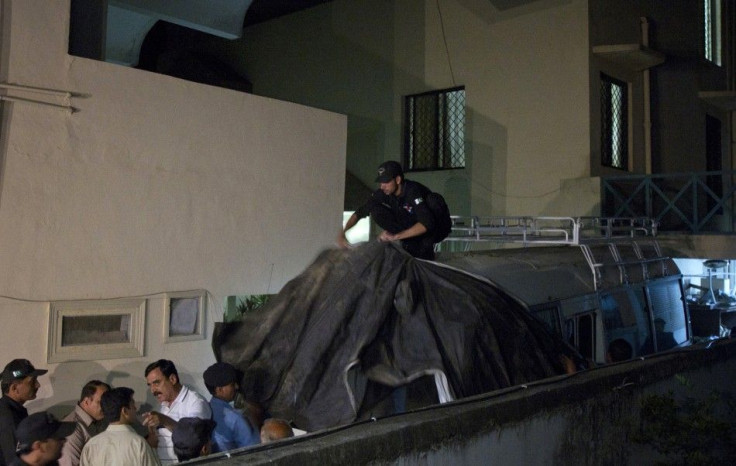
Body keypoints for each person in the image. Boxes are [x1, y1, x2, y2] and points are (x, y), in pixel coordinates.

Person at [338, 160, 441, 260]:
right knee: (375, 209)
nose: (382, 187)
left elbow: (426, 223)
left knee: (420, 256)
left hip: (426, 232)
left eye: (386, 182)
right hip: (406, 228)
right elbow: (360, 212)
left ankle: (418, 248)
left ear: (398, 180)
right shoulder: (384, 192)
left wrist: (395, 237)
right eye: (381, 182)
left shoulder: (413, 191)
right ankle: (403, 243)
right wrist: (343, 232)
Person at [141, 359, 211, 463]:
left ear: (172, 379)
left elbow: (192, 438)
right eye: (150, 385)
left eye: (156, 383)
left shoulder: (196, 402)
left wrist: (163, 420)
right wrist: (152, 436)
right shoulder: (164, 406)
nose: (152, 390)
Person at [79, 387, 160, 466]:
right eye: (133, 404)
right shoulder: (138, 443)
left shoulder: (91, 445)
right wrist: (152, 448)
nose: (135, 408)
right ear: (124, 411)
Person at [203, 362, 259, 453]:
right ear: (219, 390)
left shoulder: (207, 410)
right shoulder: (235, 418)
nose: (237, 387)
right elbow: (254, 450)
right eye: (232, 384)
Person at [0, 359, 47, 466]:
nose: (38, 385)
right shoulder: (8, 417)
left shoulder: (11, 411)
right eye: (32, 381)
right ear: (14, 388)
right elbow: (14, 460)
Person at [58, 380, 110, 466]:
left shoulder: (102, 420)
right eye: (101, 402)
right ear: (86, 402)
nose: (106, 407)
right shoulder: (72, 427)